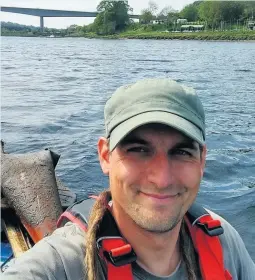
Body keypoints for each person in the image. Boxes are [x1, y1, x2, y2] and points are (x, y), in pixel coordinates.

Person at [3, 78, 255, 280]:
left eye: (181, 152)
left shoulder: (222, 240)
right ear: (105, 156)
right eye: (138, 150)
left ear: (202, 160)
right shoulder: (59, 265)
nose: (162, 179)